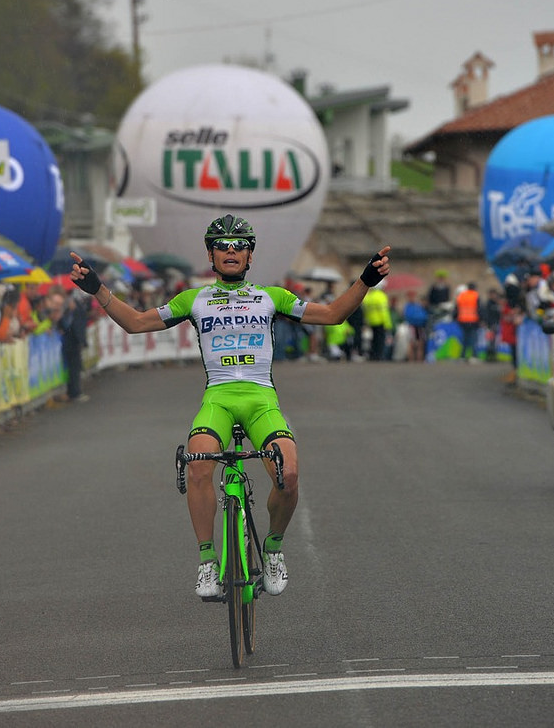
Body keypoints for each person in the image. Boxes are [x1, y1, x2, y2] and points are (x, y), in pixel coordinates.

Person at [69, 214, 390, 599]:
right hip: (218, 399)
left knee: (288, 472)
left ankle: (272, 548)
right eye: (222, 246)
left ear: (250, 255)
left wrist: (366, 281)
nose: (231, 251)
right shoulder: (194, 299)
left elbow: (334, 314)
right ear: (211, 255)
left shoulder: (273, 297)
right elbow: (137, 323)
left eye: (239, 245)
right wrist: (98, 289)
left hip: (260, 399)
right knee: (199, 460)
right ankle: (207, 562)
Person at [455, 281, 481, 362]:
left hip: (462, 320)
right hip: (473, 320)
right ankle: (474, 356)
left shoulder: (461, 296)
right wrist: (482, 319)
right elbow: (479, 309)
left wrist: (455, 318)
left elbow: (456, 308)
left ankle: (462, 356)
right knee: (473, 339)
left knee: (464, 339)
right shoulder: (476, 295)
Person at [402, 290, 428, 362]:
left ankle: (419, 360)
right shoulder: (408, 306)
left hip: (420, 326)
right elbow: (408, 317)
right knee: (412, 344)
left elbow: (424, 316)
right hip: (412, 326)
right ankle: (411, 360)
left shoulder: (418, 306)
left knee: (420, 344)